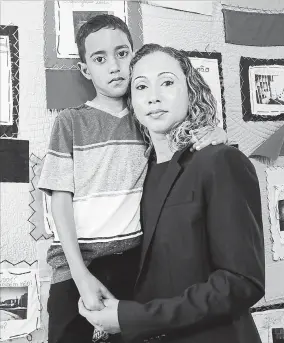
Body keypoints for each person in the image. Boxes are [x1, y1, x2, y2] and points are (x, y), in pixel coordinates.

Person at [38, 15, 227, 343]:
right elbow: (60, 202)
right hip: (75, 267)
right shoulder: (70, 122)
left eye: (122, 53)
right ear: (86, 70)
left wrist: (213, 131)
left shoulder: (148, 120)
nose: (114, 66)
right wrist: (80, 275)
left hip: (133, 265)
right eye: (100, 59)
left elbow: (187, 144)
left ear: (134, 57)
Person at [78, 44, 265, 343]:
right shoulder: (138, 175)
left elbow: (242, 282)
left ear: (191, 91)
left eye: (167, 82)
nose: (153, 96)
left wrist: (132, 318)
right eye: (141, 87)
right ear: (132, 104)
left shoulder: (219, 161)